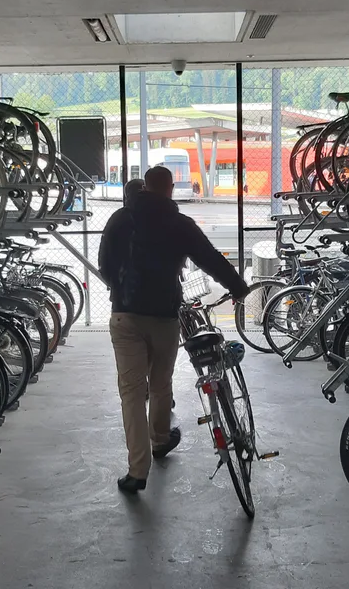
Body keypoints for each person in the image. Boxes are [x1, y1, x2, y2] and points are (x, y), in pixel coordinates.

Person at [99, 166, 250, 493]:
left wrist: (121, 291)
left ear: (143, 188)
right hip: (165, 317)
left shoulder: (120, 220)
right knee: (160, 383)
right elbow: (210, 258)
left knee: (131, 393)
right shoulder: (179, 224)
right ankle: (160, 439)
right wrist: (238, 286)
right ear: (169, 189)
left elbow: (105, 265)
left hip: (124, 316)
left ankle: (137, 471)